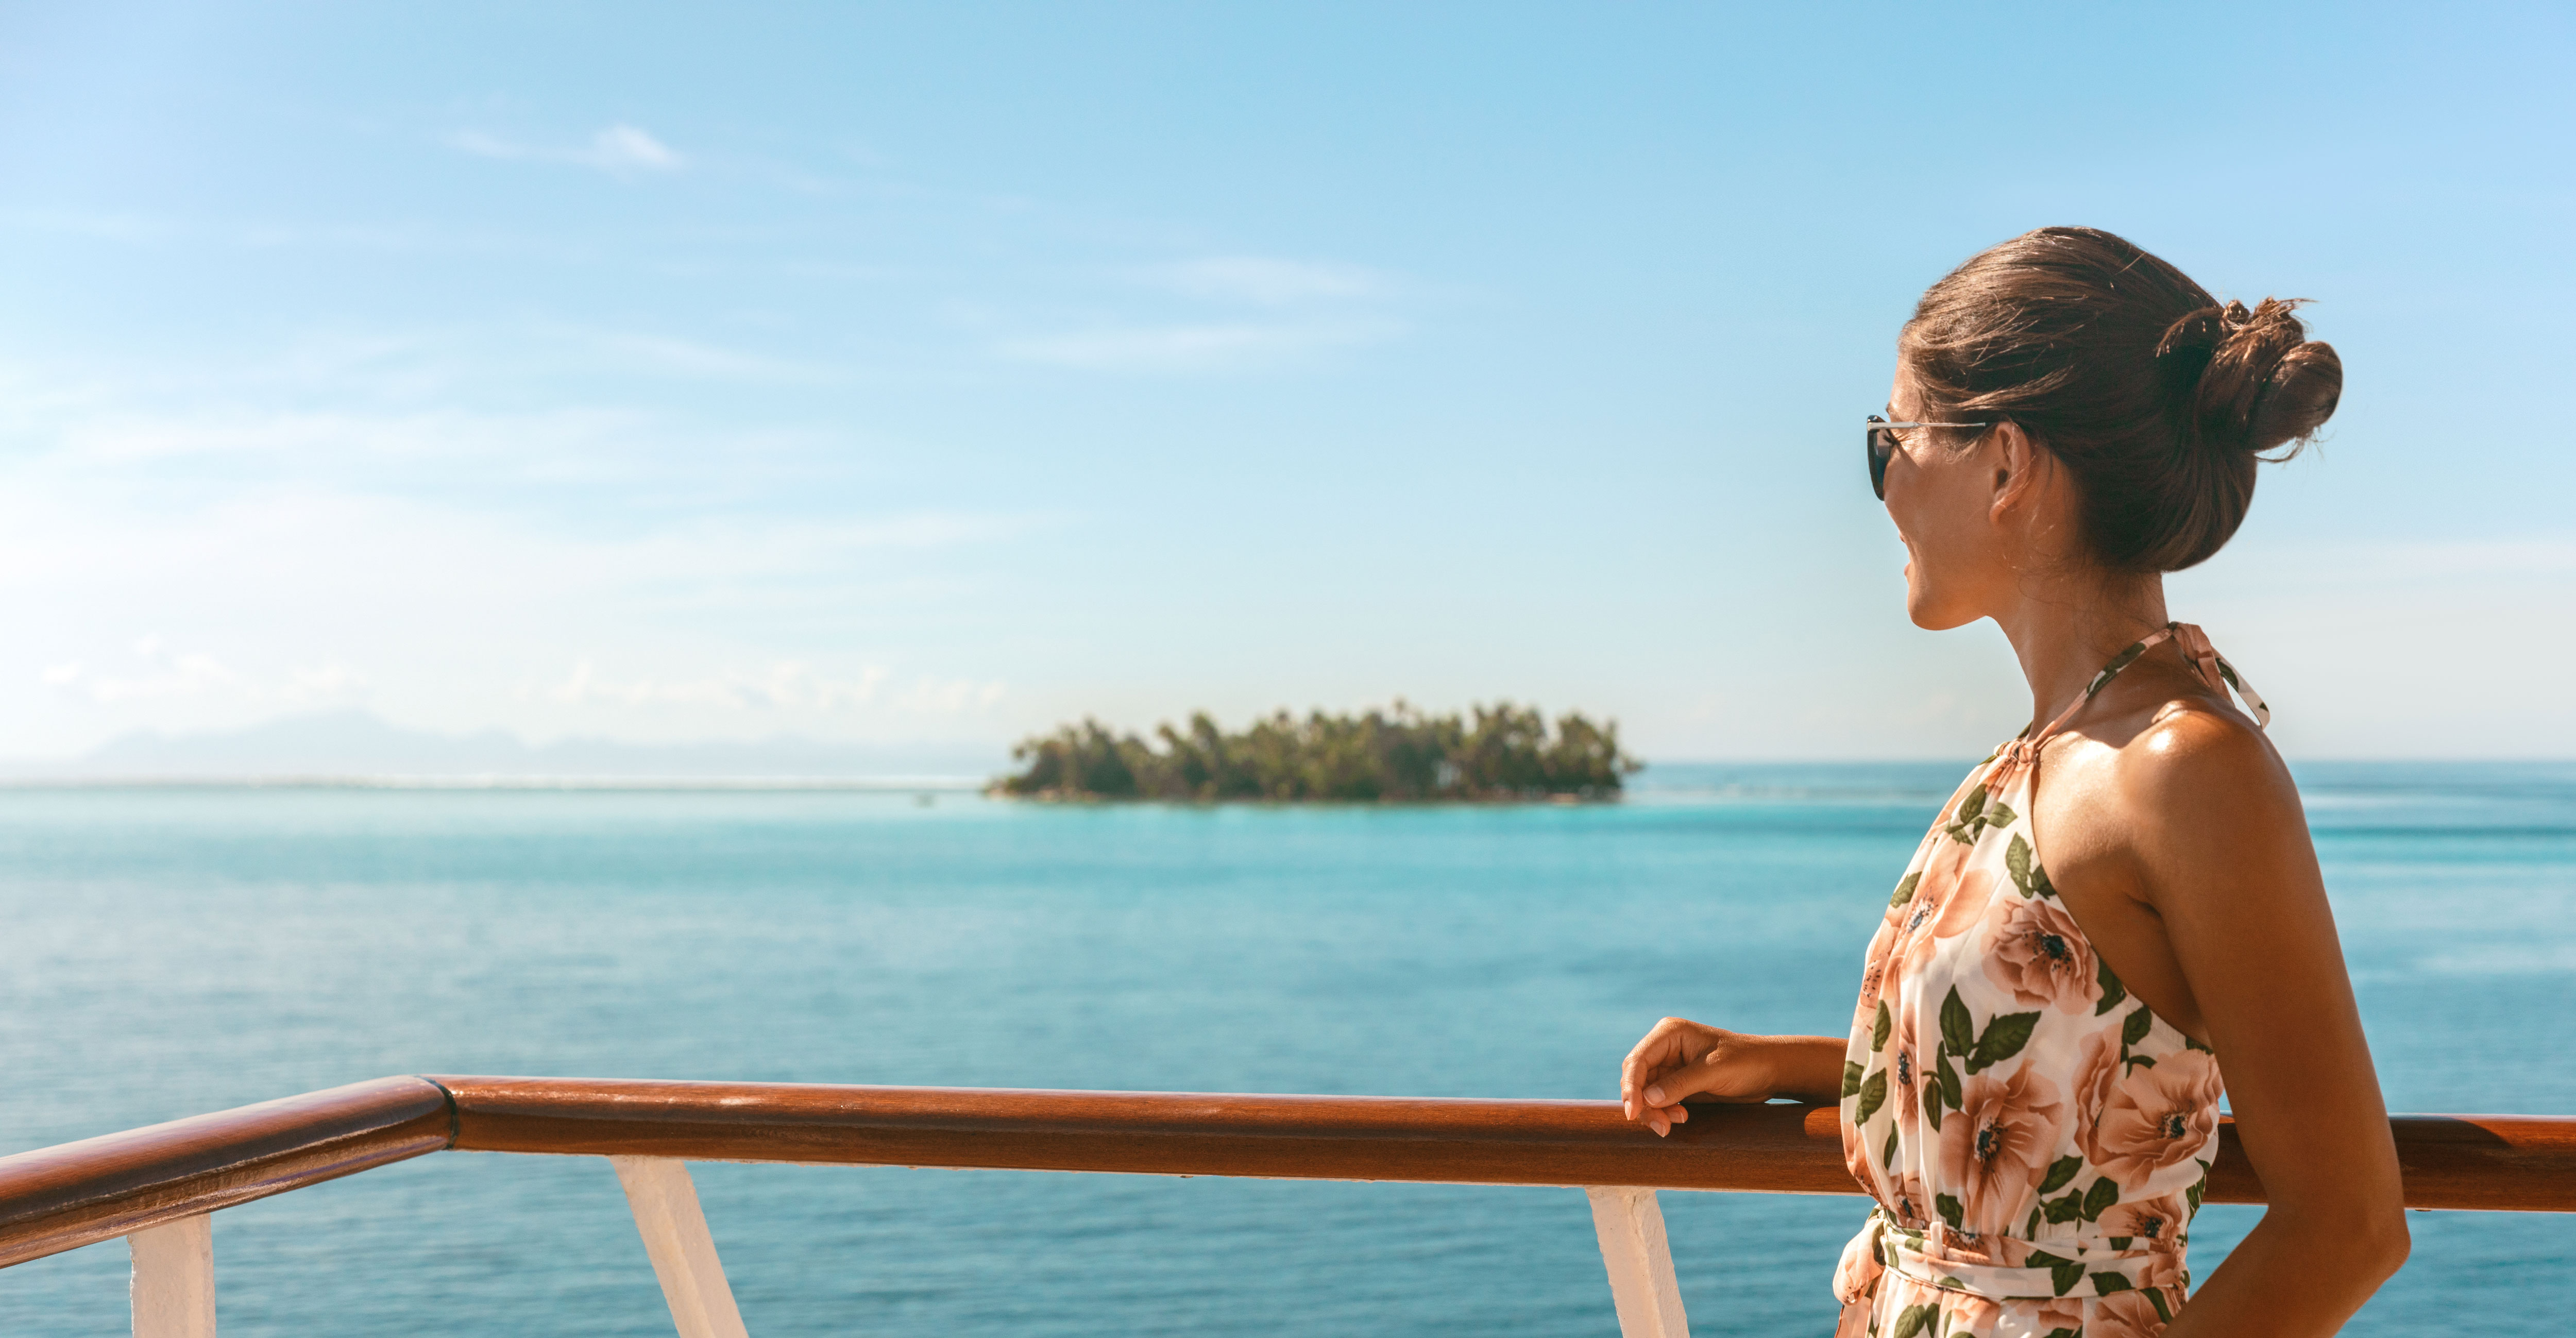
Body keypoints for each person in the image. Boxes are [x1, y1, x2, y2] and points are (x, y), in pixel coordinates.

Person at [1618, 227, 2408, 1336]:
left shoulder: (2183, 768)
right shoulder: (2046, 751)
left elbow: (2350, 1224)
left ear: (2005, 464)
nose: (1882, 486)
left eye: (1892, 440)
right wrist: (1790, 1065)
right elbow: (2065, 1073)